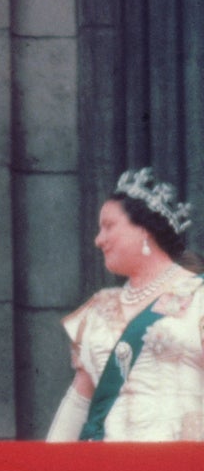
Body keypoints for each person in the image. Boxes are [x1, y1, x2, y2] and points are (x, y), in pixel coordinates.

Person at [47, 167, 201, 442]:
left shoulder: (199, 295)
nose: (98, 239)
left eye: (108, 226)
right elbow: (79, 402)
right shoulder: (97, 308)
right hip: (112, 469)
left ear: (144, 229)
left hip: (180, 465)